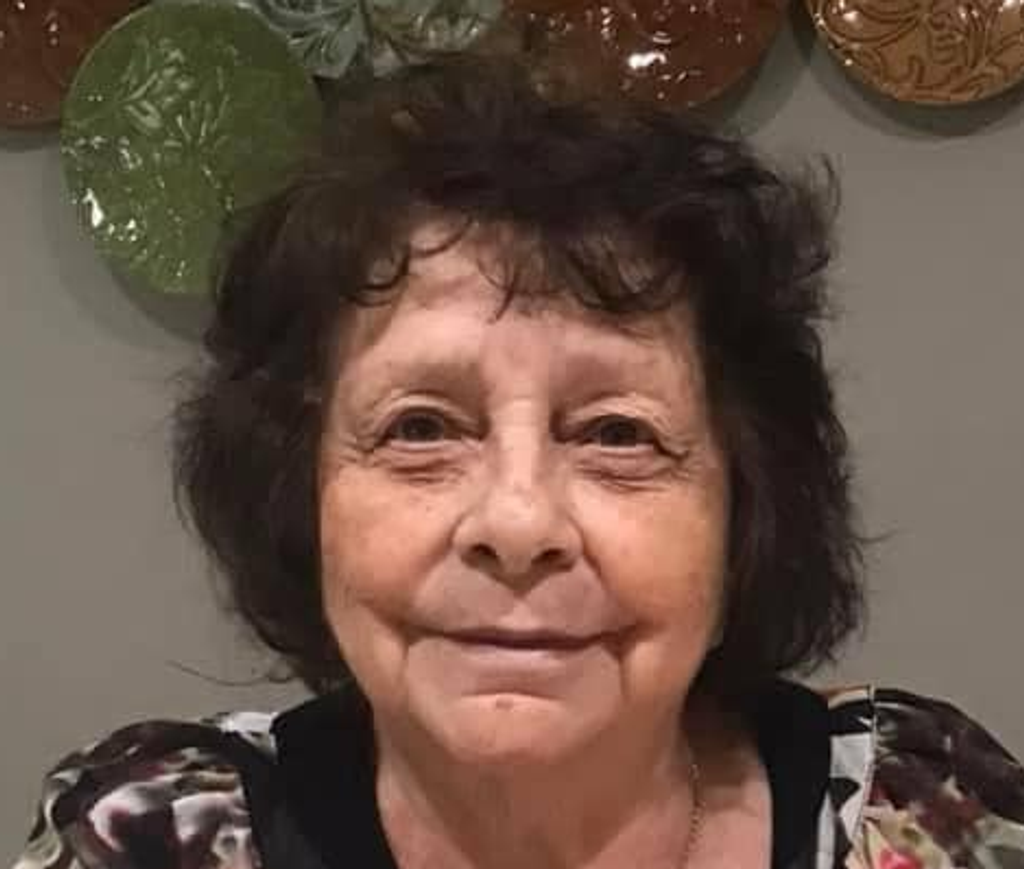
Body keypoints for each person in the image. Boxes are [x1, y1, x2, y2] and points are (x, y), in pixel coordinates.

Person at [12, 54, 1024, 869]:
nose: (517, 520)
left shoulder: (923, 812)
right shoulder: (152, 839)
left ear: (744, 505)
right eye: (420, 428)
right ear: (299, 489)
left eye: (617, 434)